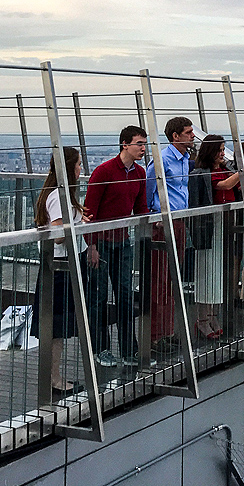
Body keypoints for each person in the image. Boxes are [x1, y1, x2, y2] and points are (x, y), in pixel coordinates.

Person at [83, 126, 149, 368]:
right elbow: (89, 211)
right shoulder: (104, 172)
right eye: (139, 143)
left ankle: (128, 351)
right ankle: (100, 349)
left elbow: (141, 209)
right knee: (99, 297)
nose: (143, 148)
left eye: (144, 143)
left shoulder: (139, 173)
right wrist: (91, 246)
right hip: (101, 243)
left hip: (122, 242)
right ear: (124, 144)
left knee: (124, 296)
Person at [189, 135, 244, 338]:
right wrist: (243, 168)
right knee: (207, 270)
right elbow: (225, 185)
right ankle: (202, 318)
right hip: (210, 225)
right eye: (220, 150)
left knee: (217, 270)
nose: (222, 153)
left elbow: (241, 186)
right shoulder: (204, 172)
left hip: (223, 224)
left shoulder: (222, 170)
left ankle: (211, 315)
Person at [31, 148, 88, 394]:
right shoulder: (60, 196)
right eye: (77, 165)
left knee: (56, 326)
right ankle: (53, 378)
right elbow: (57, 236)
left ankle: (54, 376)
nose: (81, 169)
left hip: (60, 266)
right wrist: (75, 225)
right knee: (55, 327)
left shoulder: (56, 193)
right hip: (60, 267)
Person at [145, 116, 193, 356]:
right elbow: (148, 189)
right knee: (160, 281)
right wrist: (155, 215)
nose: (192, 136)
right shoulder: (162, 160)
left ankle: (168, 332)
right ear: (175, 136)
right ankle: (156, 336)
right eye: (188, 132)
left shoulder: (185, 159)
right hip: (163, 223)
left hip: (179, 221)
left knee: (173, 279)